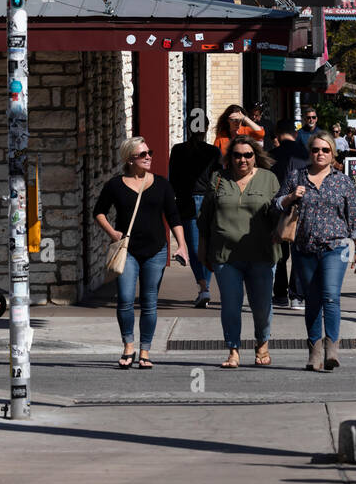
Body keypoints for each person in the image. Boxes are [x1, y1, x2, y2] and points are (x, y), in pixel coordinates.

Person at [94, 137, 188, 369]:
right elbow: (99, 212)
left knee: (149, 302)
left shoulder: (162, 184)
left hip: (155, 250)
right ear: (129, 159)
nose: (148, 157)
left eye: (149, 152)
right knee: (125, 299)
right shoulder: (115, 185)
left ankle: (145, 350)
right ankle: (128, 346)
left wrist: (182, 245)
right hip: (129, 251)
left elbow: (174, 216)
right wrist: (112, 233)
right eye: (142, 154)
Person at [274, 130, 356, 370]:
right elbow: (276, 203)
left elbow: (353, 216)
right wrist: (292, 196)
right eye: (315, 150)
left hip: (335, 247)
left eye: (325, 150)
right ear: (309, 152)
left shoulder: (342, 180)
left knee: (331, 296)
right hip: (304, 248)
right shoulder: (297, 176)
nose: (320, 154)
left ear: (332, 153)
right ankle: (314, 351)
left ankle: (332, 350)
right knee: (312, 300)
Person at [197, 136, 280, 367]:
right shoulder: (218, 179)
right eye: (237, 155)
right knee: (230, 305)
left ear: (256, 156)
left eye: (247, 155)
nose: (242, 159)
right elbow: (205, 219)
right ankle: (233, 350)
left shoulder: (269, 179)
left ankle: (262, 343)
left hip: (262, 254)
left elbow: (278, 213)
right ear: (229, 157)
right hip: (225, 255)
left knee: (262, 306)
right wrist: (202, 250)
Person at [168, 118, 221, 307]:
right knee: (207, 245)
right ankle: (204, 287)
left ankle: (203, 287)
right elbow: (218, 178)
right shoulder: (213, 151)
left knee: (194, 247)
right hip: (207, 200)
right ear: (206, 129)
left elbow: (172, 177)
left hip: (187, 201)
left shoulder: (179, 150)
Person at [269, 125, 308, 308]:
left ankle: (280, 293)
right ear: (295, 134)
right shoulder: (306, 153)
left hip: (278, 206)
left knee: (280, 252)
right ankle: (297, 294)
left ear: (278, 135)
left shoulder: (270, 155)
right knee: (298, 252)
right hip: (302, 206)